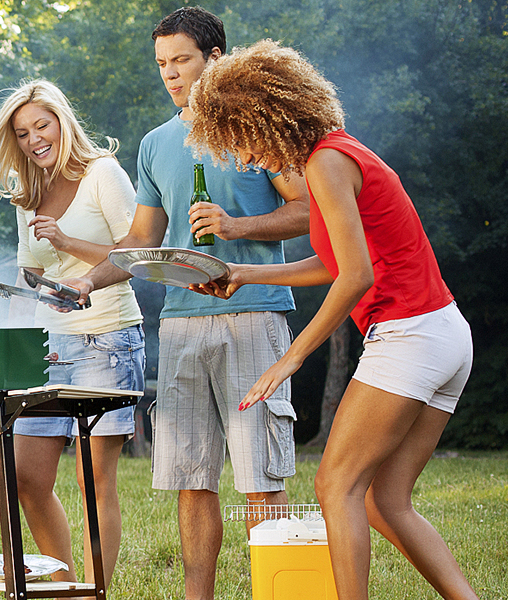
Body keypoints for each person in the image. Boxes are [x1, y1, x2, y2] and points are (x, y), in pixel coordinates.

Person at [183, 39, 479, 600]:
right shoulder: (337, 154)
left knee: (336, 483)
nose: (244, 156)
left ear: (266, 121)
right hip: (444, 333)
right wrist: (245, 274)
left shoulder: (325, 162)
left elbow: (357, 278)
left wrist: (292, 356)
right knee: (382, 500)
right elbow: (337, 260)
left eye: (242, 140)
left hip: (409, 334)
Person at [56, 8, 310, 599]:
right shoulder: (155, 144)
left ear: (216, 59)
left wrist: (236, 225)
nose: (171, 74)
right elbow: (142, 242)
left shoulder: (257, 131)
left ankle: (273, 592)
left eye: (182, 61)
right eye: (163, 64)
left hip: (254, 316)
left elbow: (307, 212)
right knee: (193, 481)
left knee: (259, 479)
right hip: (180, 325)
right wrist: (88, 282)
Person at [0, 79, 143, 592]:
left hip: (107, 339)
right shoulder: (29, 194)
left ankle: (95, 590)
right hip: (52, 346)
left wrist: (66, 240)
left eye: (41, 126)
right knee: (23, 479)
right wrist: (20, 292)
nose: (33, 140)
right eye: (21, 133)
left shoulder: (103, 174)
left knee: (92, 482)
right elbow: (33, 271)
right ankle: (63, 586)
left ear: (63, 122)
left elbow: (135, 255)